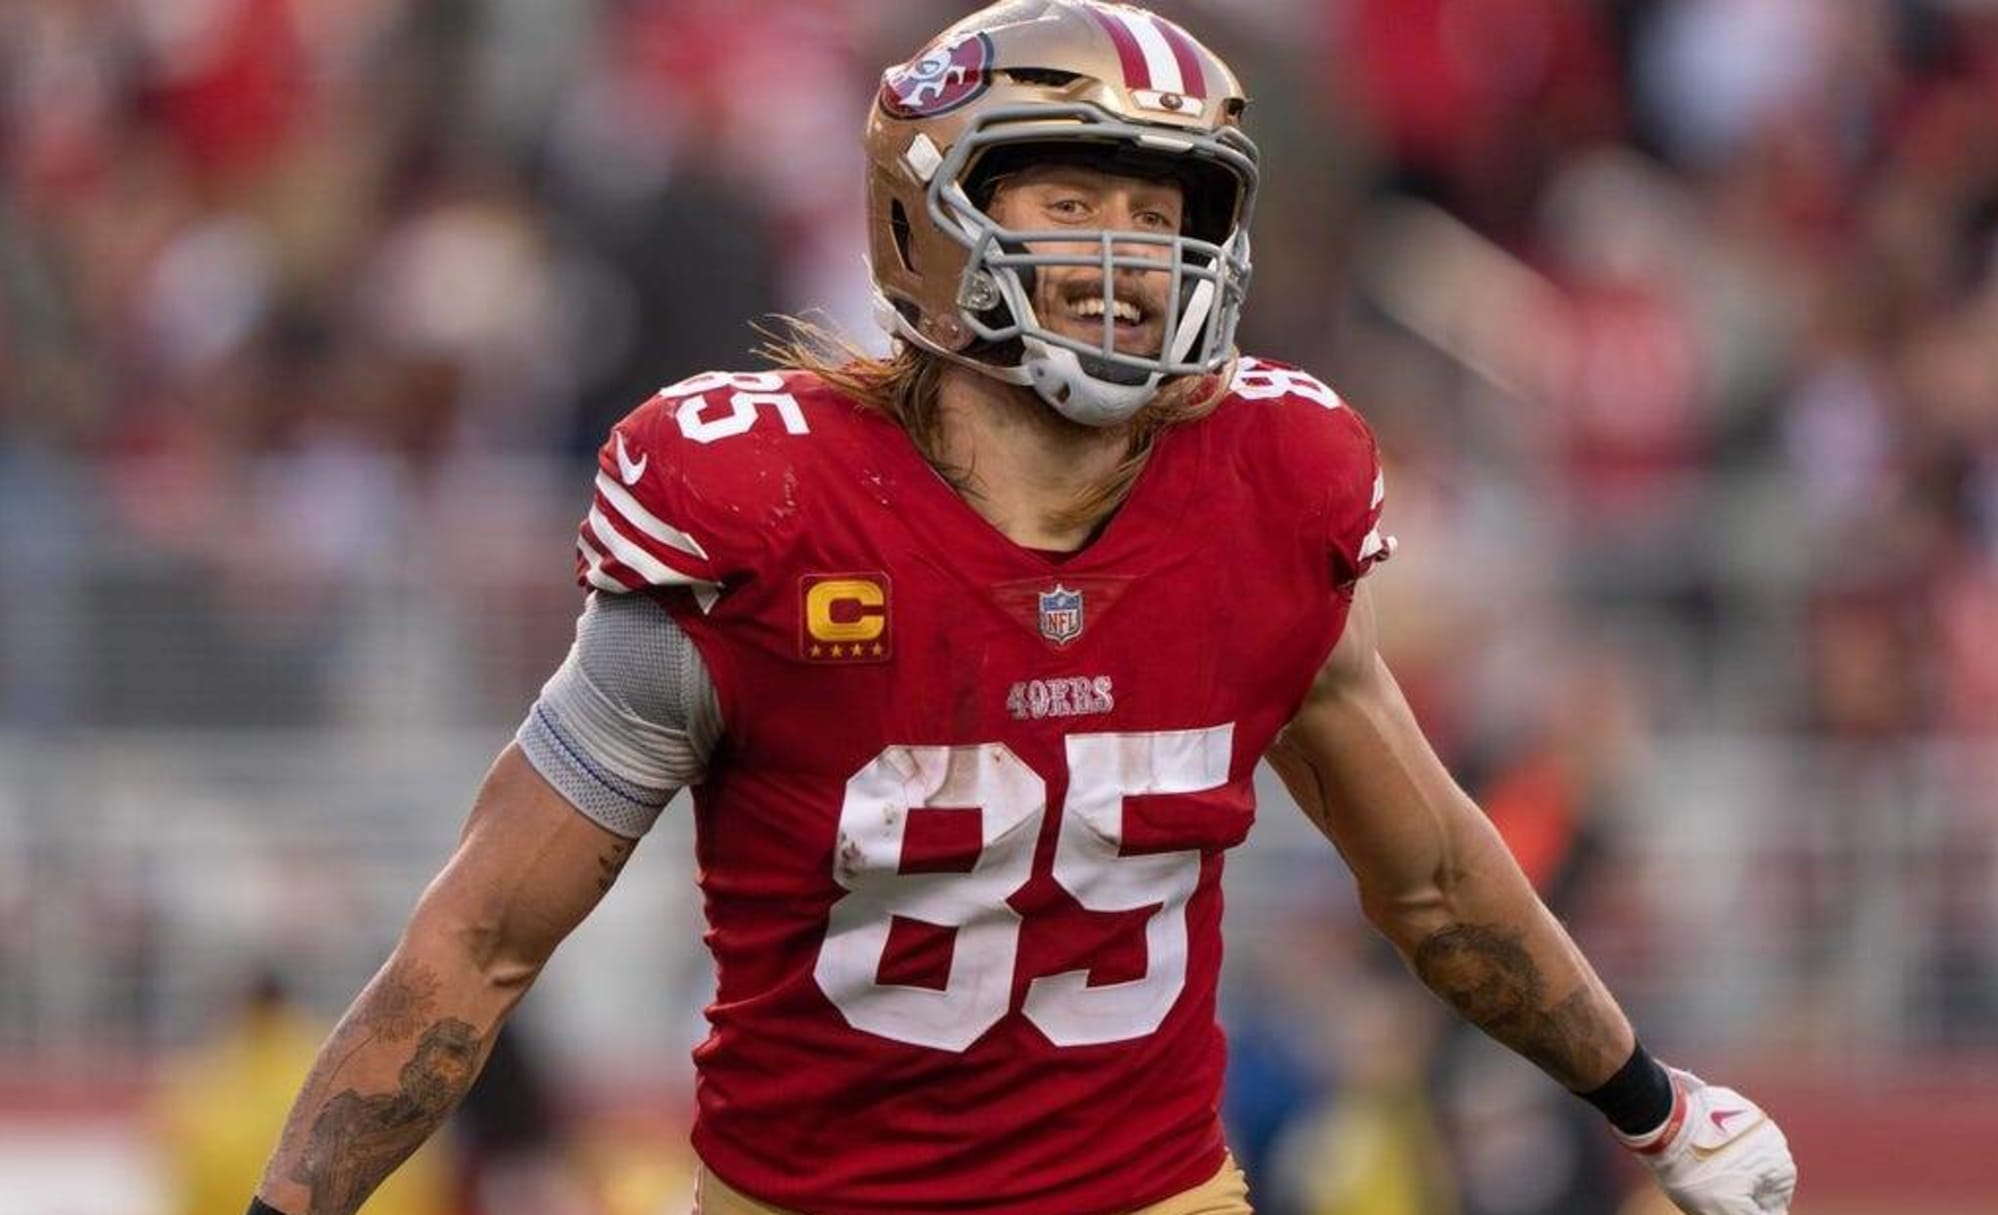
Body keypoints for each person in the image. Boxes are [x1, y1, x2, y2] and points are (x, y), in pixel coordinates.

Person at [247, 3, 1798, 1214]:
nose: (1131, 253)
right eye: (1076, 195)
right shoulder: (759, 515)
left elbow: (1440, 881)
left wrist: (1652, 1100)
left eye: (1167, 207)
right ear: (932, 219)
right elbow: (478, 948)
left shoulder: (1272, 483)